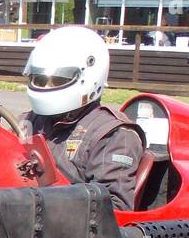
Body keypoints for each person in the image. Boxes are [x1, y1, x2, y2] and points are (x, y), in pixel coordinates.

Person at [19, 25, 145, 211]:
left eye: (57, 80)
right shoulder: (28, 121)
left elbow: (113, 210)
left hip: (61, 232)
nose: (46, 87)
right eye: (40, 80)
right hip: (17, 216)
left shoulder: (114, 135)